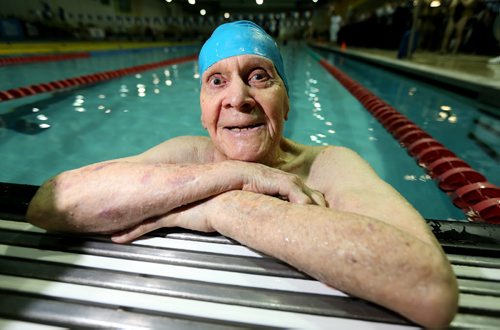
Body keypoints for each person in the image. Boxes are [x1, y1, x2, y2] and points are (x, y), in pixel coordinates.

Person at [26, 20, 458, 328]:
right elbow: (48, 204)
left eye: (258, 76)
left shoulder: (328, 166)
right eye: (217, 81)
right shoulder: (190, 156)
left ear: (285, 101)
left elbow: (430, 290)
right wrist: (235, 179)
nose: (238, 97)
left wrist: (225, 209)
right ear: (202, 111)